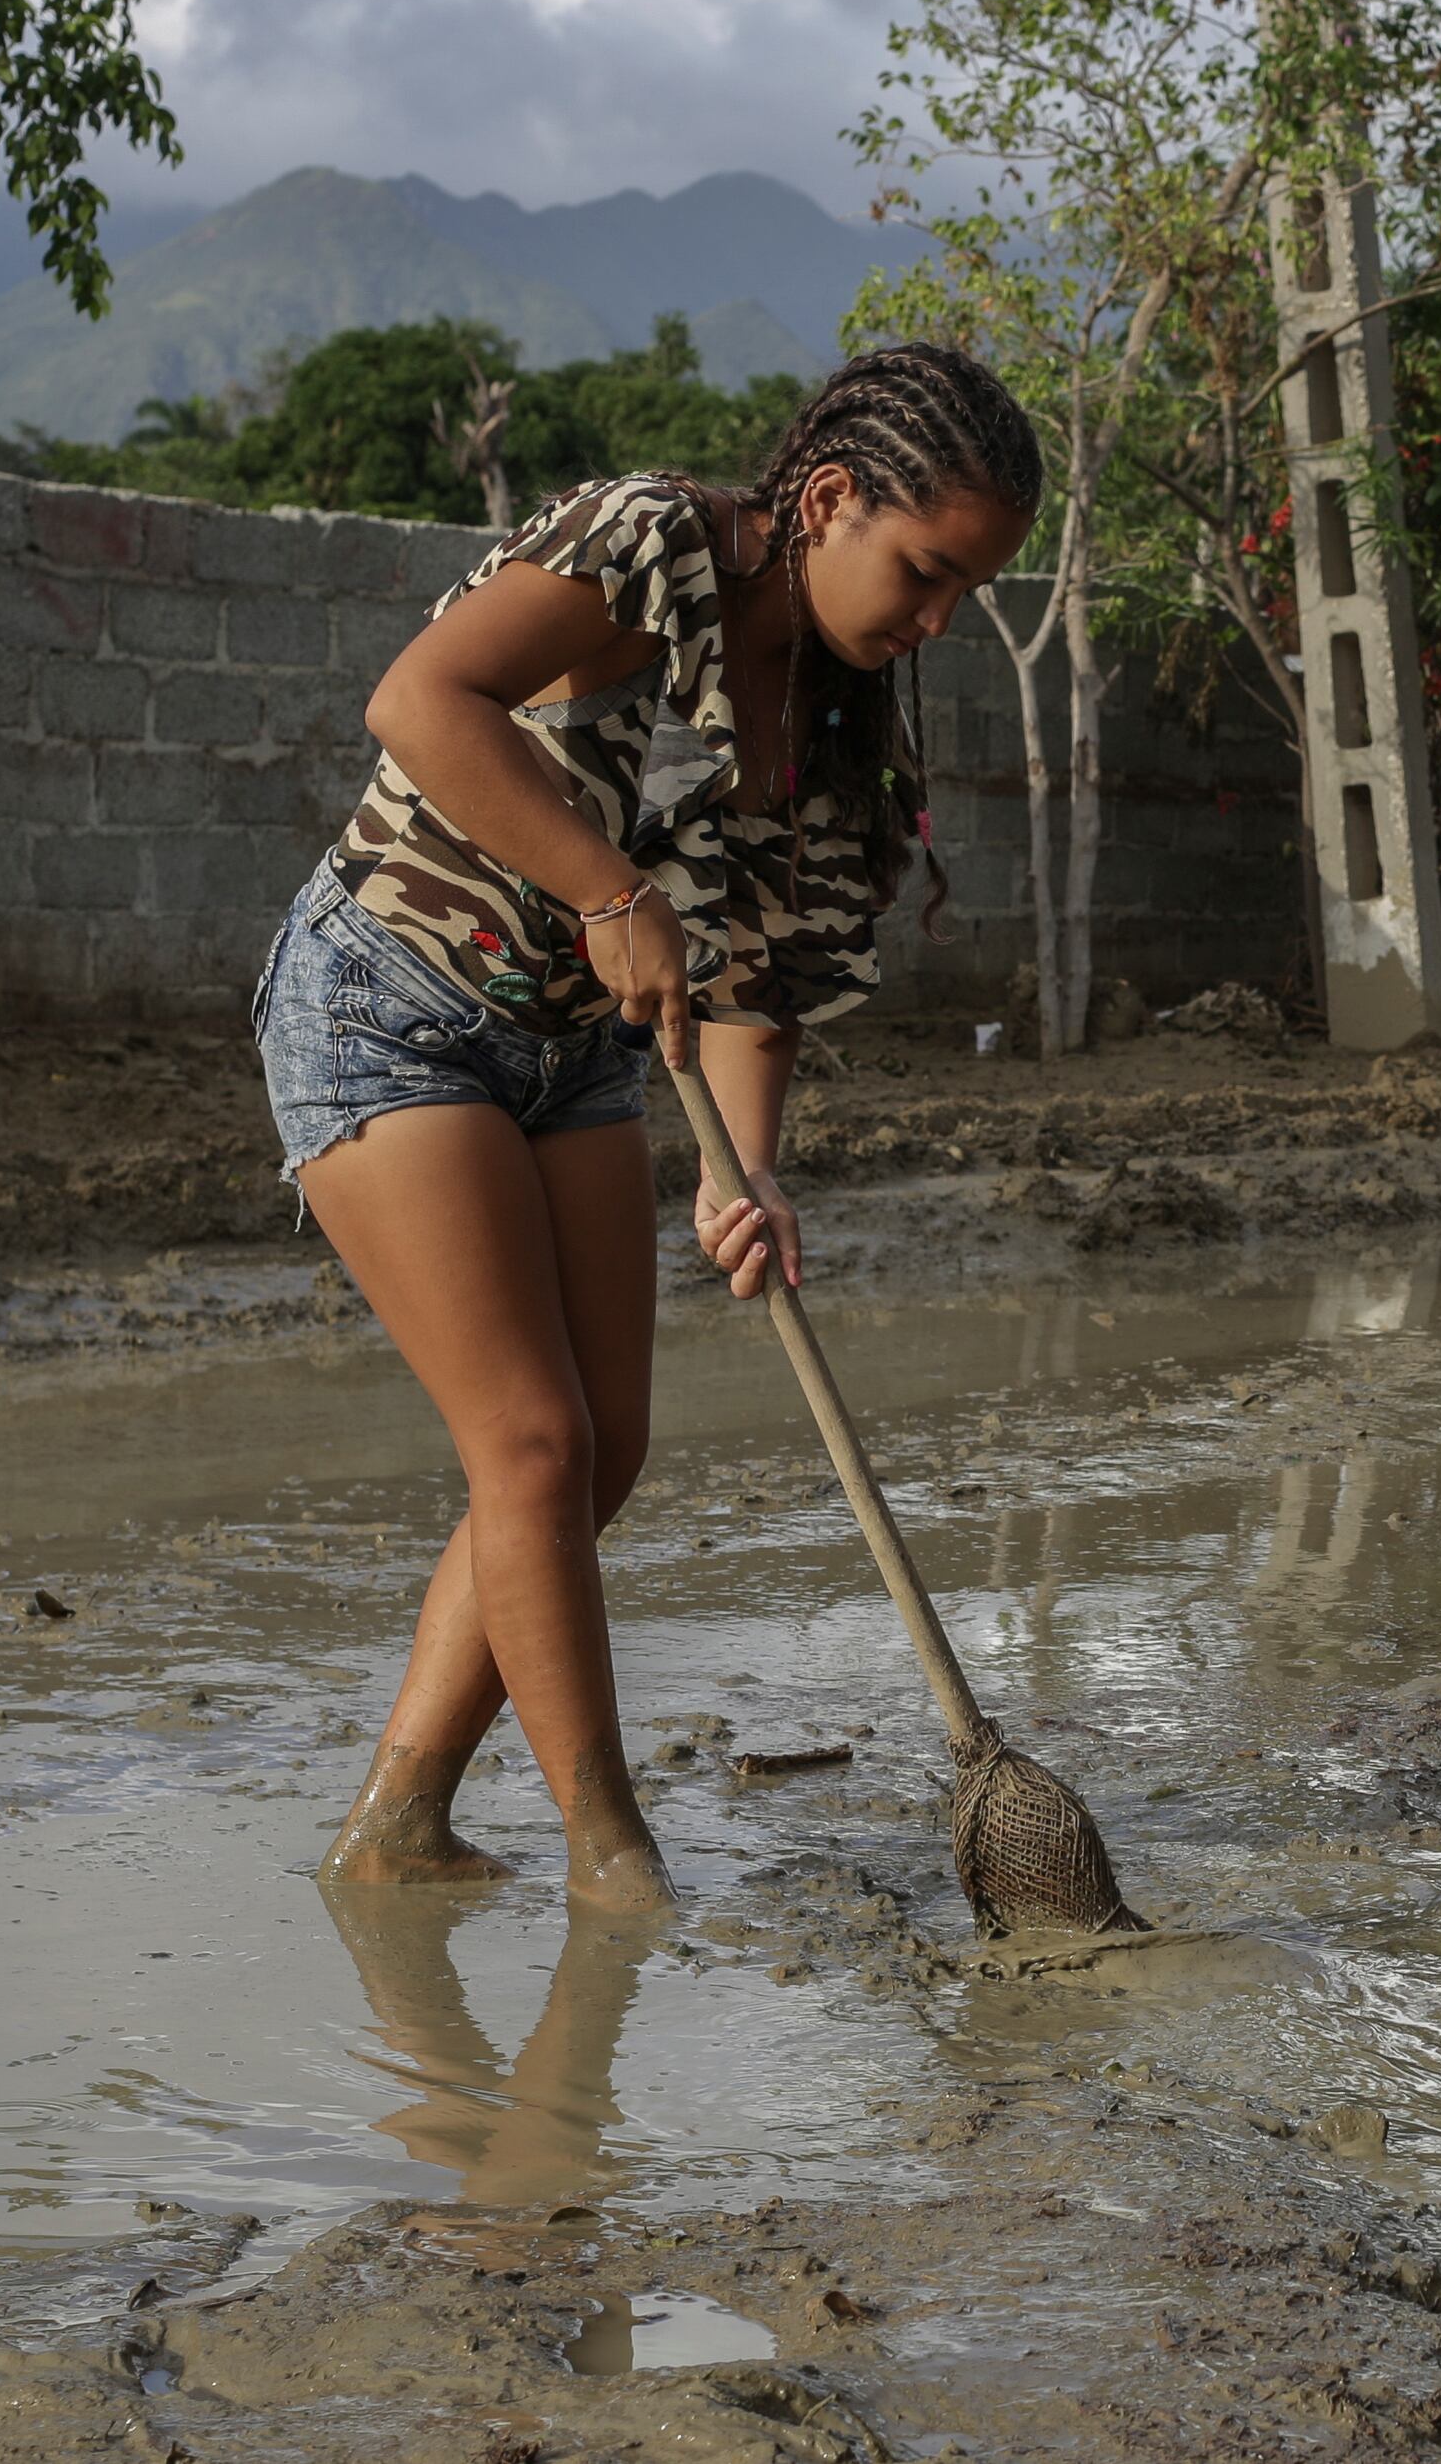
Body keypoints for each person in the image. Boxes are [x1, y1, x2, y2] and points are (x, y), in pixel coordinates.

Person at [256, 343, 1041, 1909]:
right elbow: (420, 699)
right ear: (828, 500)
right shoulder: (647, 544)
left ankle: (400, 1821)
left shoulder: (838, 726)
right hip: (388, 1001)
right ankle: (614, 1859)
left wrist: (742, 1176)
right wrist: (610, 892)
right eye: (927, 570)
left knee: (598, 1459)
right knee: (532, 1444)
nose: (936, 620)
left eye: (967, 594)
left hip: (578, 1057)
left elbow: (758, 982)